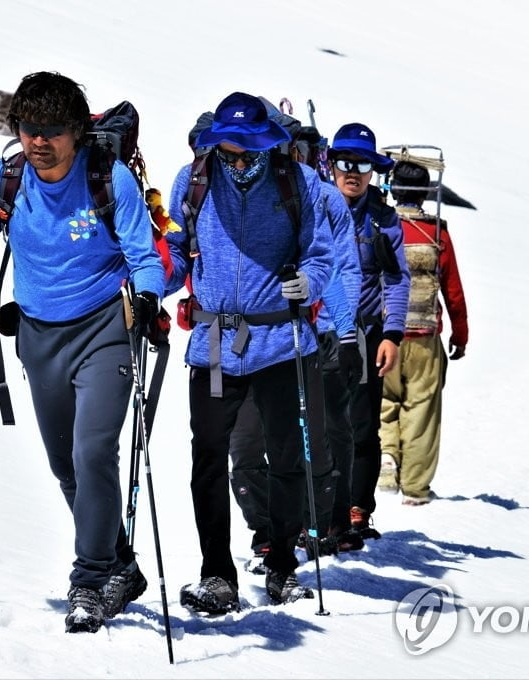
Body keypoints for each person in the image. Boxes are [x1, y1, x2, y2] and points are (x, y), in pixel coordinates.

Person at [0, 72, 165, 634]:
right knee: (65, 467)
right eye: (30, 129)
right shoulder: (5, 179)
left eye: (52, 131)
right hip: (37, 337)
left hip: (104, 329)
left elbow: (142, 252)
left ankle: (90, 578)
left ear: (76, 132)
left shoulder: (110, 179)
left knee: (93, 450)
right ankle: (121, 565)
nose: (39, 142)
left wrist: (148, 296)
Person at [164, 92, 333, 614]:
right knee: (208, 459)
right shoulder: (192, 180)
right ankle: (217, 574)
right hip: (215, 344)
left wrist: (309, 281)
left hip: (281, 340)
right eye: (229, 152)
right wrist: (152, 286)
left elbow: (323, 252)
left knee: (285, 457)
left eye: (248, 152)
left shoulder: (296, 181)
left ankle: (282, 564)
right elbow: (174, 251)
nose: (238, 162)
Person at [227, 121, 366, 563]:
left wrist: (346, 334)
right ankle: (269, 527)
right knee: (250, 443)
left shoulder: (323, 198)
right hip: (257, 337)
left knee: (321, 438)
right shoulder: (237, 192)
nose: (295, 157)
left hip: (317, 336)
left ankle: (324, 522)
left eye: (302, 149)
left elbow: (342, 267)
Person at [329, 122, 411, 537]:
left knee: (362, 425)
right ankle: (323, 506)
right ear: (330, 163)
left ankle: (358, 507)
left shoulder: (383, 219)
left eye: (361, 164)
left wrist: (392, 335)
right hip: (318, 334)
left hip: (365, 334)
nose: (352, 171)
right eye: (344, 161)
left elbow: (397, 280)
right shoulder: (314, 209)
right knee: (321, 424)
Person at [379, 160, 468, 505]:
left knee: (383, 401)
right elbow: (453, 291)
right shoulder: (437, 233)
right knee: (421, 409)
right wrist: (460, 334)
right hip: (424, 335)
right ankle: (415, 488)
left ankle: (386, 455)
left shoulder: (382, 225)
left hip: (385, 333)